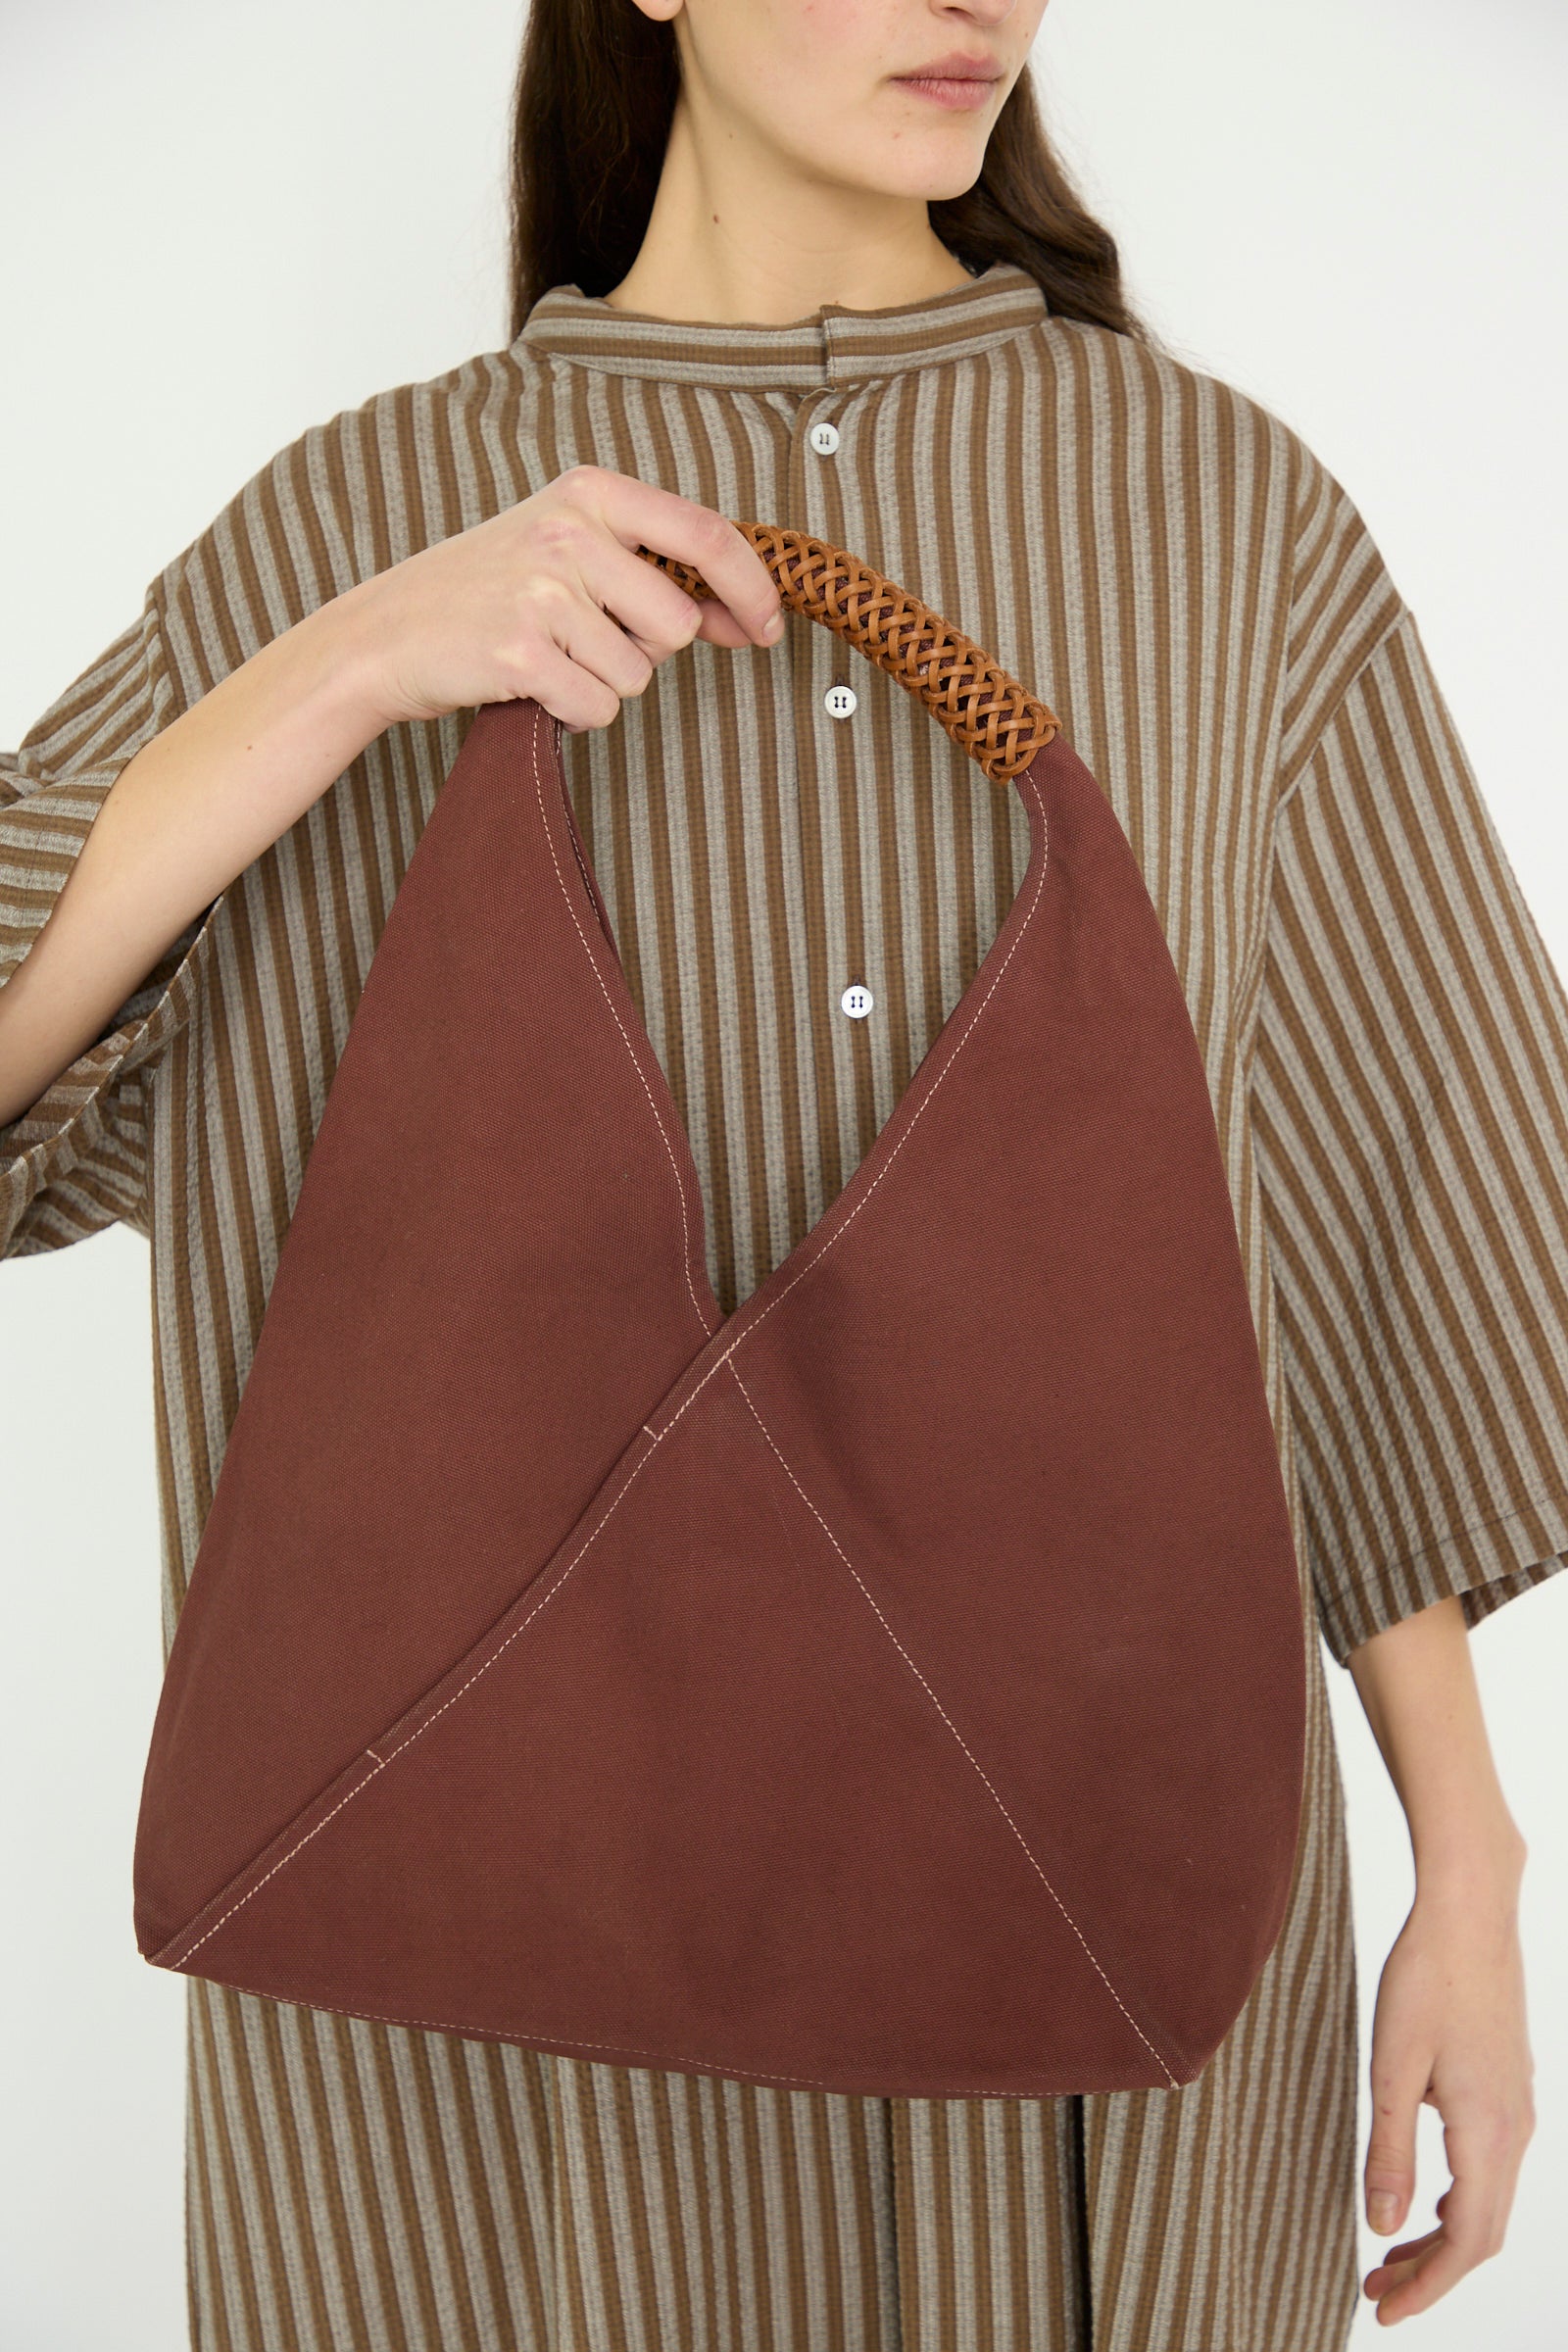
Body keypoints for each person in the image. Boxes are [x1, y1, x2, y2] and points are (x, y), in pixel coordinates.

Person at [1, 2, 1558, 2345]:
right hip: (473, 2019)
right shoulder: (359, 525)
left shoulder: (1220, 522)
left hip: (1093, 1987)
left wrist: (1466, 1867)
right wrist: (325, 682)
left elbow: (1354, 1226)